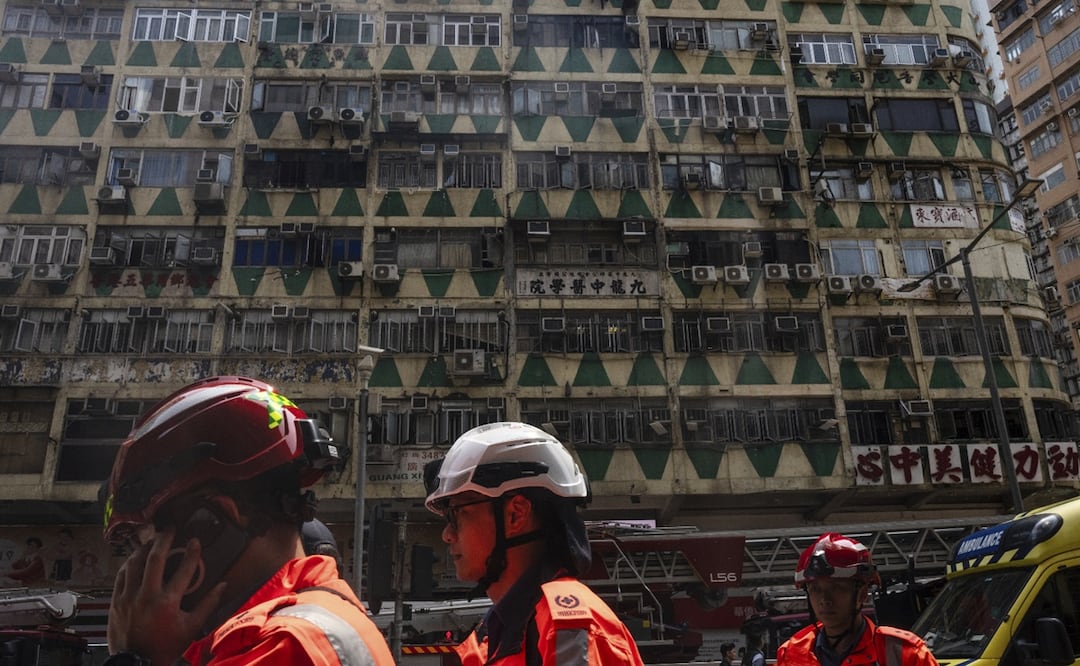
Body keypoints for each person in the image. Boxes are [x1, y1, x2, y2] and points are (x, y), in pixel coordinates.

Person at [101, 376, 394, 666]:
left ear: (209, 523)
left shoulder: (286, 646)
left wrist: (135, 657)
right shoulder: (300, 623)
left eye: (143, 543)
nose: (134, 573)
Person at [424, 421, 645, 665]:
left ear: (516, 514)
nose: (447, 534)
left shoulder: (565, 628)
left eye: (456, 514)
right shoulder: (500, 633)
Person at [775, 533, 939, 666]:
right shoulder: (791, 654)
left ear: (862, 594)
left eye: (836, 587)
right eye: (815, 589)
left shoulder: (904, 653)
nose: (824, 599)